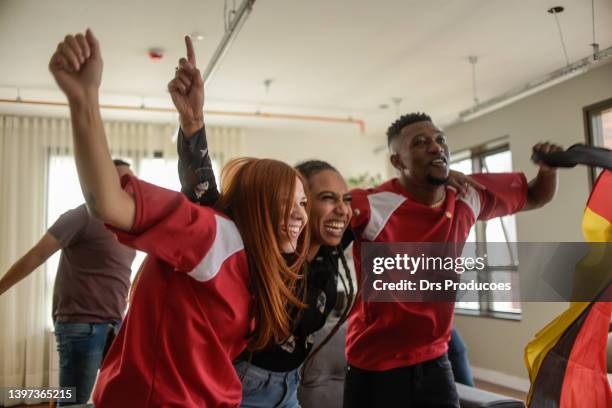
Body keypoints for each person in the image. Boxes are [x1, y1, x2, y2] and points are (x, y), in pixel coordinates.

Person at [170, 37, 485, 407]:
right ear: (297, 204)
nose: (341, 209)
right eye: (323, 199)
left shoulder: (330, 250)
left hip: (290, 387)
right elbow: (205, 200)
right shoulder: (260, 247)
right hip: (242, 387)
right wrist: (192, 125)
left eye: (343, 199)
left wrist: (440, 174)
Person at [48, 29, 310, 407]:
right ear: (257, 203)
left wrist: (194, 122)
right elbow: (106, 202)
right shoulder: (213, 237)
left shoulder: (260, 265)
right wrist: (83, 97)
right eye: (288, 200)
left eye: (303, 203)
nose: (300, 215)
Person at [343, 112, 563, 407]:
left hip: (435, 359)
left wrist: (549, 170)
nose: (435, 147)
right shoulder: (371, 205)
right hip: (375, 365)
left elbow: (536, 195)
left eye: (440, 139)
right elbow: (319, 218)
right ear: (398, 162)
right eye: (420, 143)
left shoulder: (465, 195)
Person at [0, 160, 136, 406]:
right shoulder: (81, 216)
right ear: (103, 183)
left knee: (118, 394)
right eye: (120, 179)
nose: (128, 185)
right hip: (81, 325)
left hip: (115, 324)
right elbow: (36, 255)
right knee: (74, 400)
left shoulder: (130, 226)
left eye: (130, 179)